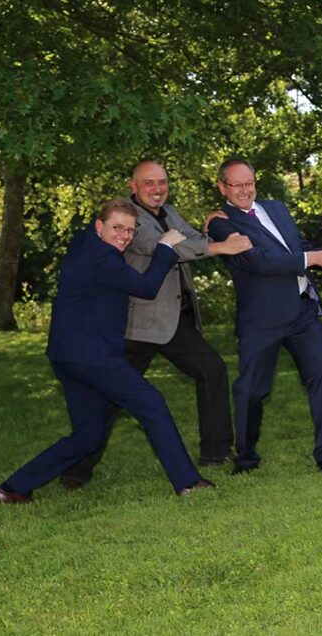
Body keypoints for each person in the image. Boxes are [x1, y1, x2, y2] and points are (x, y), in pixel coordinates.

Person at [0, 199, 213, 502]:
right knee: (151, 404)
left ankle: (12, 488)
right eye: (117, 228)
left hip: (66, 355)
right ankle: (187, 482)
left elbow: (103, 237)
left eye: (130, 230)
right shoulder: (103, 260)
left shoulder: (84, 243)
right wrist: (164, 247)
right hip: (92, 356)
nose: (124, 235)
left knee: (88, 435)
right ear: (100, 226)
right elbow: (147, 287)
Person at [60, 161, 253, 489]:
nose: (157, 188)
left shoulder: (170, 212)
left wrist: (212, 226)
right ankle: (76, 470)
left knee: (211, 369)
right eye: (148, 183)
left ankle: (216, 452)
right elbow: (160, 248)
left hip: (171, 319)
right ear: (133, 186)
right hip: (139, 321)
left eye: (162, 182)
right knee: (113, 397)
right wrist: (219, 247)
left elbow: (191, 239)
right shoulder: (130, 222)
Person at [206, 157, 322, 475]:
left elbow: (294, 246)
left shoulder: (276, 208)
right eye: (237, 185)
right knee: (252, 390)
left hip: (302, 310)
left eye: (250, 183)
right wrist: (316, 257)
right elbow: (260, 261)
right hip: (262, 319)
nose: (245, 190)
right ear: (222, 187)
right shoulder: (221, 224)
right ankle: (245, 458)